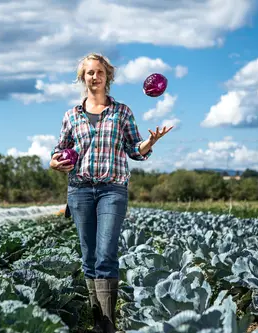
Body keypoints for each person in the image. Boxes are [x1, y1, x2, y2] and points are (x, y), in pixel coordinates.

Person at [49, 53, 172, 333]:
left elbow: (134, 150)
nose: (95, 76)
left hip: (112, 190)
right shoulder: (71, 115)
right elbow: (59, 151)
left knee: (105, 253)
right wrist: (55, 162)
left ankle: (108, 326)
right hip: (79, 190)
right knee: (88, 255)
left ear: (108, 76)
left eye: (100, 72)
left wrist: (149, 142)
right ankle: (98, 323)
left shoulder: (122, 112)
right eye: (89, 72)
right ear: (83, 78)